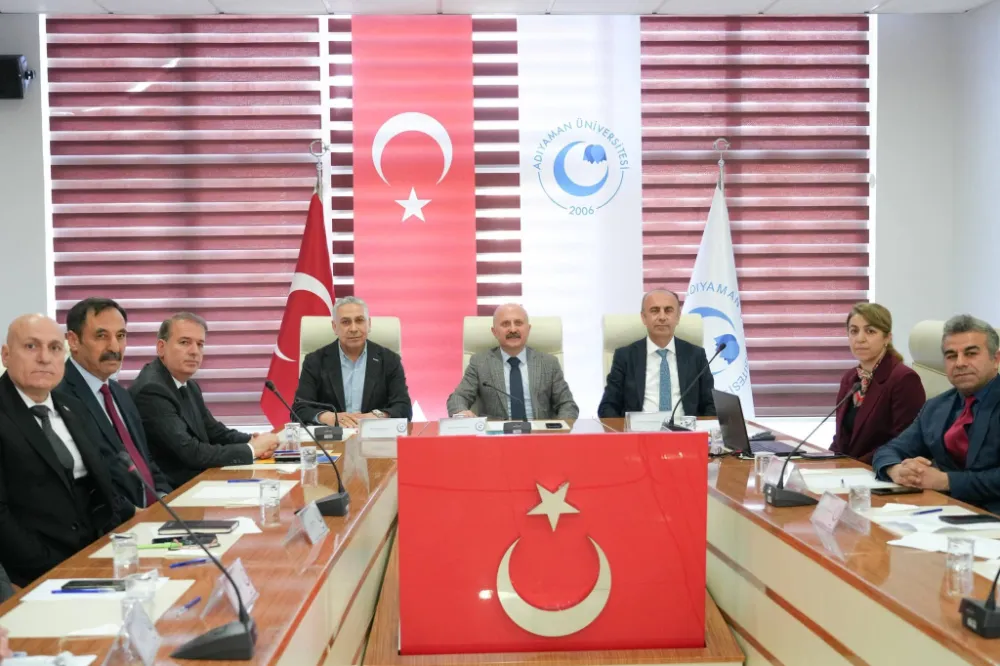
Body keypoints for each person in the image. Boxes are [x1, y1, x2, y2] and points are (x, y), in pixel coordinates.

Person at [0, 315, 132, 587]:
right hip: (33, 573)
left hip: (97, 555)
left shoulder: (73, 407)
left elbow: (102, 482)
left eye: (55, 348)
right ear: (6, 355)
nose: (44, 358)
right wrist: (51, 568)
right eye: (31, 346)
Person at [130, 313, 279, 488]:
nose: (194, 351)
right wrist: (253, 449)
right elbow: (190, 452)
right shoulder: (152, 390)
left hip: (199, 481)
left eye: (200, 344)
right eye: (184, 342)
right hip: (174, 491)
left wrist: (254, 440)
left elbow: (215, 432)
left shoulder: (189, 385)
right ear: (161, 348)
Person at [872, 315, 1000, 513]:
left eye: (971, 353)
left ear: (996, 359)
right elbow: (889, 450)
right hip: (940, 512)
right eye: (951, 356)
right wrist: (897, 470)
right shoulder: (936, 407)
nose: (960, 363)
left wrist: (946, 481)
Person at [55, 298, 173, 507]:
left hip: (155, 513)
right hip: (116, 520)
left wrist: (164, 497)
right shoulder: (59, 396)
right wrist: (133, 514)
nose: (114, 347)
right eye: (101, 336)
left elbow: (143, 458)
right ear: (73, 341)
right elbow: (87, 482)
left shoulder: (119, 393)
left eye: (120, 336)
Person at [293, 296, 412, 427]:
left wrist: (375, 416)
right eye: (345, 322)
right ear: (334, 327)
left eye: (359, 320)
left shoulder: (390, 360)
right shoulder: (314, 361)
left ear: (369, 324)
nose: (353, 328)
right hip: (332, 435)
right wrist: (329, 417)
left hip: (375, 434)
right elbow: (299, 409)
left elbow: (404, 408)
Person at [447, 303, 579, 420]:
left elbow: (567, 404)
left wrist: (559, 429)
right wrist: (461, 412)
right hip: (496, 436)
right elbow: (458, 398)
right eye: (505, 324)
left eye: (518, 323)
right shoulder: (480, 363)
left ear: (528, 329)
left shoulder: (548, 363)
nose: (513, 329)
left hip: (539, 435)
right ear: (494, 332)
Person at [831, 303, 925, 464]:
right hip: (849, 470)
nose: (860, 339)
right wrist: (825, 462)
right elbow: (842, 438)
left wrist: (853, 466)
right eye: (854, 331)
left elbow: (904, 442)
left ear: (887, 338)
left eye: (870, 331)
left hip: (880, 469)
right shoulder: (850, 379)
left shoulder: (904, 379)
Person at [598, 289, 715, 418]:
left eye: (668, 310)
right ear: (644, 317)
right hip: (639, 429)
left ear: (678, 317)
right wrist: (623, 430)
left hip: (685, 428)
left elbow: (711, 405)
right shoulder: (625, 356)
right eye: (654, 310)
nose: (662, 317)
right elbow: (607, 406)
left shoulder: (696, 355)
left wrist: (701, 428)